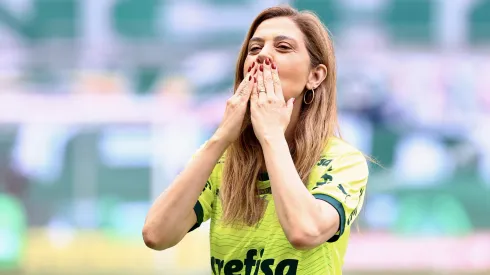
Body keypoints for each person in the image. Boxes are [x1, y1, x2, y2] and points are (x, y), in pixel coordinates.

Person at [142, 5, 369, 275]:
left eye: (283, 47)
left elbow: (305, 231)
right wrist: (220, 138)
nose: (263, 56)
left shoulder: (342, 160)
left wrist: (272, 136)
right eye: (254, 49)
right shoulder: (222, 159)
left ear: (315, 75)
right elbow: (157, 235)